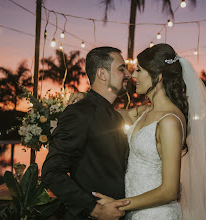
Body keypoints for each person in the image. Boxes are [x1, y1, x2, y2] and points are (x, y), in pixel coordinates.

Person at [87, 44, 206, 220]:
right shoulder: (145, 111)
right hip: (136, 212)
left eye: (139, 70)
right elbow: (111, 115)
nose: (133, 76)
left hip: (157, 214)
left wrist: (119, 204)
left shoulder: (169, 121)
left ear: (158, 76)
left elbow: (170, 190)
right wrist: (85, 100)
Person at [41, 46, 132, 220]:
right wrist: (95, 209)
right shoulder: (79, 113)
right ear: (102, 74)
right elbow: (51, 172)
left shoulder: (116, 117)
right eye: (121, 68)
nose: (128, 74)